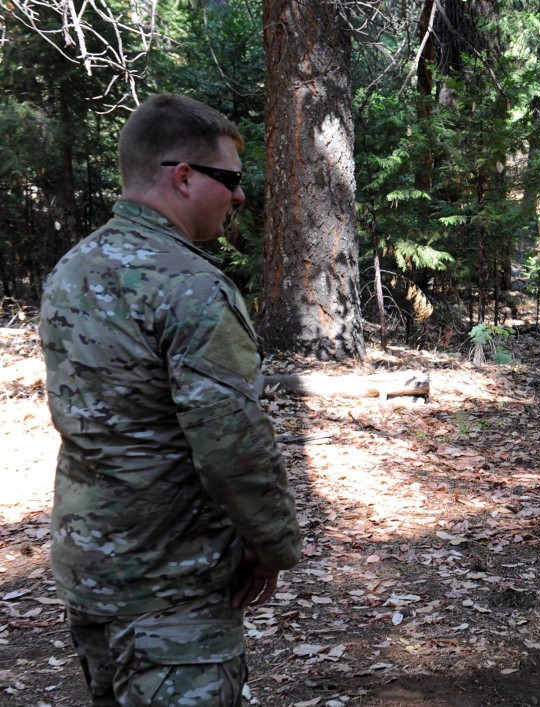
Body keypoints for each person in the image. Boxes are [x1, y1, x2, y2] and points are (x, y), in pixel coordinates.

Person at [39, 93, 302, 706]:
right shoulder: (191, 287)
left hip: (91, 572)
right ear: (183, 177)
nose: (240, 196)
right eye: (230, 179)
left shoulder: (73, 269)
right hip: (172, 592)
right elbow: (230, 444)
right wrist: (273, 547)